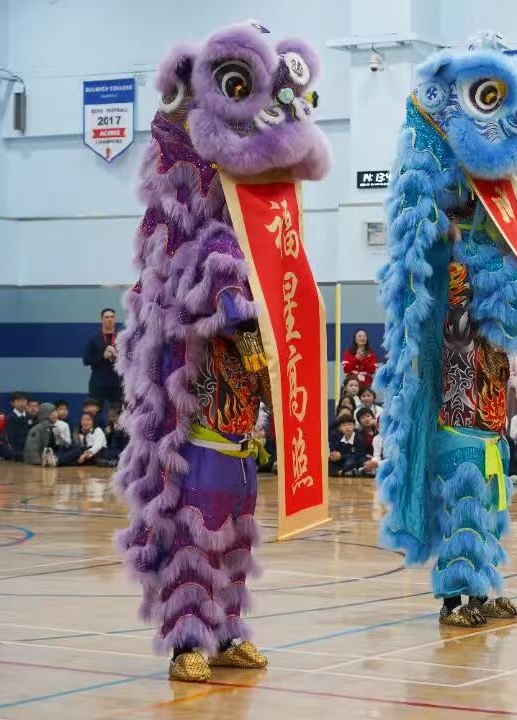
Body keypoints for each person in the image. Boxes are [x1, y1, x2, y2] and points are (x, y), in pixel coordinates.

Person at [111, 23, 331, 683]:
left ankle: (229, 627)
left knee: (235, 522)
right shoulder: (193, 226)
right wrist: (237, 302)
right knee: (196, 517)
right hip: (199, 391)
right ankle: (188, 638)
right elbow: (193, 279)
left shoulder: (262, 223)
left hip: (242, 407)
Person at [375, 40, 517, 629]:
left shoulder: (499, 224)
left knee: (490, 482)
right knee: (464, 479)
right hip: (458, 388)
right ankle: (456, 594)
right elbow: (426, 264)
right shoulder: (447, 259)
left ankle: (484, 584)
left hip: (489, 393)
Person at [82, 308, 122, 415]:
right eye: (106, 317)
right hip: (98, 383)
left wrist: (118, 357)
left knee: (117, 416)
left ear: (115, 319)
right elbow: (86, 360)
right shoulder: (94, 338)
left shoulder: (122, 338)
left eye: (112, 317)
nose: (109, 319)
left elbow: (130, 359)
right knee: (92, 414)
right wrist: (102, 357)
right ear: (102, 319)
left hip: (117, 384)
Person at [328, 413, 368, 477]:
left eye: (349, 425)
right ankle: (342, 472)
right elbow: (334, 450)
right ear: (340, 428)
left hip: (355, 460)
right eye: (344, 425)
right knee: (328, 463)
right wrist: (334, 456)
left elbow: (359, 454)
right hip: (342, 461)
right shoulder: (338, 438)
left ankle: (344, 471)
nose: (347, 427)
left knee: (351, 462)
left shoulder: (359, 438)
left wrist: (341, 456)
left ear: (354, 426)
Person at [4, 391, 33, 462]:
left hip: (29, 448)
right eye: (18, 401)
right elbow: (11, 436)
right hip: (16, 450)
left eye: (24, 401)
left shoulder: (30, 417)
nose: (21, 403)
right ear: (12, 403)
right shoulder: (10, 418)